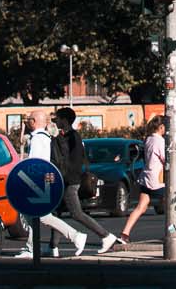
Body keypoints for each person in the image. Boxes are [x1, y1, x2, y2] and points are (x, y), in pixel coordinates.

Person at [15, 108, 91, 257]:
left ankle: (75, 235)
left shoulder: (37, 139)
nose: (28, 122)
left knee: (42, 216)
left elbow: (34, 164)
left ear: (34, 122)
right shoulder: (45, 137)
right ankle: (31, 247)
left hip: (39, 183)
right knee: (32, 216)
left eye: (29, 119)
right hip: (46, 181)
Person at [50, 107, 120, 255]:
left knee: (76, 213)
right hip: (65, 180)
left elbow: (72, 162)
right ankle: (52, 247)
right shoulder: (65, 136)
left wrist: (66, 179)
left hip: (70, 181)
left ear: (65, 120)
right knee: (56, 213)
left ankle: (106, 236)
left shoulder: (73, 137)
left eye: (58, 118)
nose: (55, 121)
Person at [117, 114, 168, 246]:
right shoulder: (160, 141)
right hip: (158, 179)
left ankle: (124, 234)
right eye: (164, 128)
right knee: (171, 208)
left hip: (146, 178)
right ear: (161, 127)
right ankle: (172, 232)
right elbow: (165, 159)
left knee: (141, 207)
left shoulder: (148, 139)